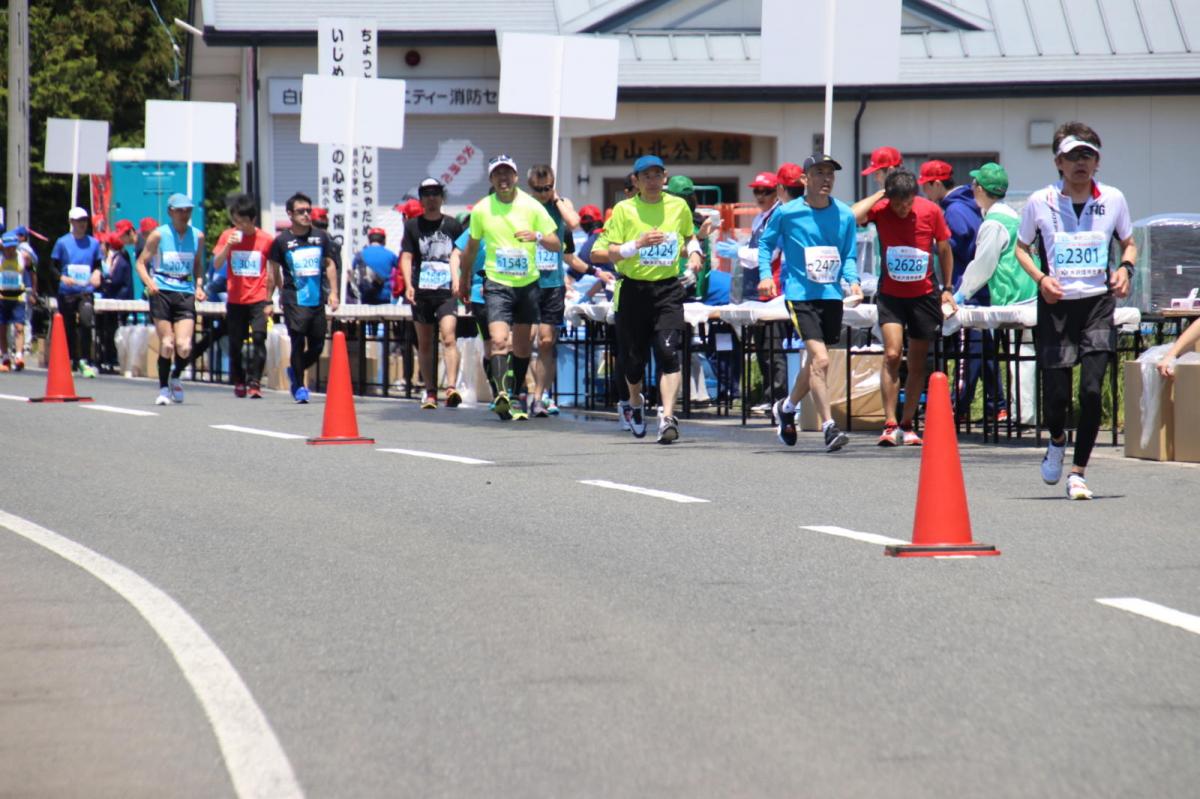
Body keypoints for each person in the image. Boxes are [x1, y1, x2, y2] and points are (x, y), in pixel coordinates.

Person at [1016, 122, 1135, 500]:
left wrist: (1125, 269)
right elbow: (1021, 248)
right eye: (1073, 156)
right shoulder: (1040, 201)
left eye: (1088, 155)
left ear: (1097, 162)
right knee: (1056, 397)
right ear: (1059, 162)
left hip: (1097, 304)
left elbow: (1129, 243)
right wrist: (1040, 279)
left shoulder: (1113, 199)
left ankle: (1078, 472)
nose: (1081, 163)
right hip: (1056, 307)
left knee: (1092, 390)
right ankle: (1056, 440)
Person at [595, 154, 703, 443]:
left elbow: (688, 236)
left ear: (665, 177)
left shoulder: (678, 206)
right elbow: (608, 251)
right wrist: (637, 244)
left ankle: (667, 417)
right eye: (646, 176)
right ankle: (635, 402)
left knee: (668, 353)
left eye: (657, 175)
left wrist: (695, 252)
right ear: (636, 180)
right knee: (633, 362)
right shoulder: (624, 210)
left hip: (667, 290)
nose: (653, 181)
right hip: (634, 290)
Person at [759, 154, 862, 452]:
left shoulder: (844, 214)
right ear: (805, 179)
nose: (826, 178)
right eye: (819, 172)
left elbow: (848, 253)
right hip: (800, 295)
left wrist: (853, 279)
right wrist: (765, 275)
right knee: (822, 360)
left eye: (830, 173)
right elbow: (766, 243)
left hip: (831, 295)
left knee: (816, 361)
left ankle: (786, 407)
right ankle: (829, 427)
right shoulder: (787, 213)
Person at [852, 170, 955, 446]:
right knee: (892, 354)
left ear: (914, 197)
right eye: (897, 204)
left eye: (907, 203)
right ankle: (889, 423)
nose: (902, 209)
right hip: (891, 296)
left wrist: (947, 288)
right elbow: (851, 216)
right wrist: (880, 195)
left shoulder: (930, 210)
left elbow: (945, 249)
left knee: (918, 361)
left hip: (924, 296)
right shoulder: (882, 209)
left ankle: (908, 423)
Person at [456, 155, 560, 421]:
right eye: (497, 174)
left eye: (507, 173)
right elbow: (470, 248)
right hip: (497, 283)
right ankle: (501, 394)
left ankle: (514, 395)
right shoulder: (482, 209)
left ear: (516, 177)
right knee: (499, 341)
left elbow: (556, 243)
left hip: (527, 284)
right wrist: (464, 278)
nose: (503, 178)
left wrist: (536, 236)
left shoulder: (532, 206)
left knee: (523, 348)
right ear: (491, 179)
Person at [920, 159, 1007, 423]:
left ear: (937, 184)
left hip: (965, 291)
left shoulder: (954, 209)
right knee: (984, 351)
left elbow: (956, 246)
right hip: (978, 289)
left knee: (967, 352)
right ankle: (997, 405)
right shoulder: (970, 206)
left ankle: (957, 407)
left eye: (926, 186)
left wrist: (933, 244)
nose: (924, 192)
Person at [952, 163, 1039, 422]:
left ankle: (1022, 416)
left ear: (980, 189)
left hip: (1013, 298)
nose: (972, 188)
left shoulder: (993, 223)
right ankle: (1025, 414)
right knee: (1025, 357)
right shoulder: (1014, 217)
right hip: (1030, 294)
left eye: (974, 184)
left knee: (1018, 359)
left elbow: (983, 265)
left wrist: (961, 293)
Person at [526, 164, 586, 417]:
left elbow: (573, 222)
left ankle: (539, 396)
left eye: (547, 188)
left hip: (553, 283)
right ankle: (524, 390)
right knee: (525, 340)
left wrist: (557, 198)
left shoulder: (561, 203)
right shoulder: (525, 205)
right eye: (538, 189)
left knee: (547, 341)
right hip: (528, 281)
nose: (543, 193)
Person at [268, 192, 340, 403]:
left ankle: (295, 370)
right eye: (301, 211)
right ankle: (299, 386)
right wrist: (270, 298)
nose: (306, 215)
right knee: (298, 341)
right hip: (293, 298)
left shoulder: (321, 237)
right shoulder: (281, 241)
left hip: (316, 298)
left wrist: (334, 292)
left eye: (309, 210)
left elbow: (329, 264)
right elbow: (273, 271)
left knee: (317, 345)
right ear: (290, 214)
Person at [136, 194, 207, 405]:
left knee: (184, 346)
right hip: (162, 291)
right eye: (180, 210)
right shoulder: (158, 235)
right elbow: (140, 263)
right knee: (167, 343)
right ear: (170, 212)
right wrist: (149, 282)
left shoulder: (198, 236)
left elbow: (197, 265)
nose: (184, 214)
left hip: (185, 292)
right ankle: (163, 389)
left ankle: (175, 376)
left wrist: (199, 286)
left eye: (188, 210)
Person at [401, 177, 465, 409]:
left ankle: (451, 387)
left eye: (435, 193)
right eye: (426, 194)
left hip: (446, 291)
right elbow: (407, 256)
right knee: (425, 342)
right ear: (421, 198)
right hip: (422, 291)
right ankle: (430, 391)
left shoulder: (452, 225)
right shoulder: (412, 226)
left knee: (449, 336)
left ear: (442, 197)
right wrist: (408, 284)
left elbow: (461, 254)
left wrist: (461, 281)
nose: (431, 198)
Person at [212, 193, 275, 398]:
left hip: (258, 298)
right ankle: (239, 379)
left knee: (259, 338)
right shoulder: (227, 236)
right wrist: (228, 246)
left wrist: (270, 299)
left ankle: (255, 382)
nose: (239, 226)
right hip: (235, 299)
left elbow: (273, 271)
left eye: (243, 222)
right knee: (235, 343)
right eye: (236, 221)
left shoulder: (266, 240)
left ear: (253, 219)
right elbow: (216, 264)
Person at [51, 207, 102, 377]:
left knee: (87, 321)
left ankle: (85, 359)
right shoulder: (62, 242)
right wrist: (62, 278)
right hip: (67, 291)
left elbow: (98, 265)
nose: (82, 224)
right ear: (71, 222)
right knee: (68, 326)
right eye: (79, 221)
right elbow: (52, 267)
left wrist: (97, 273)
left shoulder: (94, 243)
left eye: (85, 220)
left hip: (85, 290)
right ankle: (72, 359)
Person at [96, 232, 132, 373]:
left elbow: (115, 279)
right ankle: (105, 356)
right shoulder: (115, 258)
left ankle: (111, 357)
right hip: (111, 298)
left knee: (111, 329)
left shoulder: (120, 259)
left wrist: (106, 280)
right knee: (104, 328)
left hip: (119, 299)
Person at [0, 232, 33, 370]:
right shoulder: (1, 258)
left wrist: (32, 291)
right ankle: (5, 356)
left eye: (13, 247)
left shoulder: (21, 257)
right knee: (2, 328)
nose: (10, 250)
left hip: (18, 298)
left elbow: (32, 268)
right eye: (7, 247)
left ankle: (19, 355)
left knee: (19, 327)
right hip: (2, 298)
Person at [355, 227, 398, 306]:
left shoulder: (360, 254)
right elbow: (400, 271)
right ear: (384, 240)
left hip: (365, 295)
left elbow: (353, 272)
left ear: (369, 240)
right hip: (384, 296)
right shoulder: (391, 255)